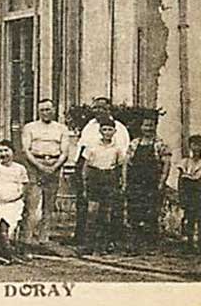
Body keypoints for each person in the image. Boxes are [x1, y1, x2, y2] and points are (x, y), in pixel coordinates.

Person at [73, 97, 129, 248]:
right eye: (96, 108)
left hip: (110, 171)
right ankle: (84, 239)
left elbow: (122, 155)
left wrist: (120, 178)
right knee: (87, 206)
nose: (98, 111)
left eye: (102, 108)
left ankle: (108, 241)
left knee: (108, 209)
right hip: (91, 169)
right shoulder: (90, 125)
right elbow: (82, 147)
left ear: (109, 109)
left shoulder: (119, 128)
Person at [20, 98, 70, 247]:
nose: (45, 113)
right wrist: (40, 166)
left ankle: (44, 237)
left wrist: (54, 167)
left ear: (54, 110)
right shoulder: (30, 127)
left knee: (49, 204)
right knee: (32, 204)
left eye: (48, 109)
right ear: (38, 111)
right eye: (42, 110)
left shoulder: (61, 129)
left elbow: (65, 151)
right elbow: (26, 150)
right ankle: (28, 238)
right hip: (35, 165)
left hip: (54, 164)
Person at [80, 118, 126, 254]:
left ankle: (103, 245)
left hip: (109, 177)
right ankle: (89, 244)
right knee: (92, 211)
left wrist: (123, 182)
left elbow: (121, 166)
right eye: (104, 129)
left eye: (110, 129)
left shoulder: (117, 148)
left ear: (114, 131)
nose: (107, 132)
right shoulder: (92, 145)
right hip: (95, 177)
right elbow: (86, 166)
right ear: (100, 131)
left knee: (106, 213)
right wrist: (84, 183)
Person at [125, 116, 171, 252]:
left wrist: (162, 181)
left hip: (152, 182)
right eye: (145, 125)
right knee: (134, 212)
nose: (148, 128)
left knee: (151, 212)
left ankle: (151, 244)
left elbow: (166, 164)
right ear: (141, 127)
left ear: (155, 127)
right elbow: (127, 163)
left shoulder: (160, 144)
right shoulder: (134, 143)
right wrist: (125, 180)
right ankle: (135, 243)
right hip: (135, 182)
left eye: (151, 125)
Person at [0, 140, 30, 260]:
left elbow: (23, 190)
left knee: (9, 218)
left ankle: (6, 249)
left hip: (14, 202)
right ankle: (9, 252)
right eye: (0, 151)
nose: (3, 154)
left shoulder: (20, 168)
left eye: (6, 150)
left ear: (13, 152)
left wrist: (13, 198)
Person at [177, 134, 201, 252]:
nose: (196, 148)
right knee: (188, 218)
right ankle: (188, 243)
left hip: (199, 193)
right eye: (194, 145)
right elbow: (180, 180)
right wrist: (181, 195)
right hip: (189, 193)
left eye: (199, 145)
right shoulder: (185, 162)